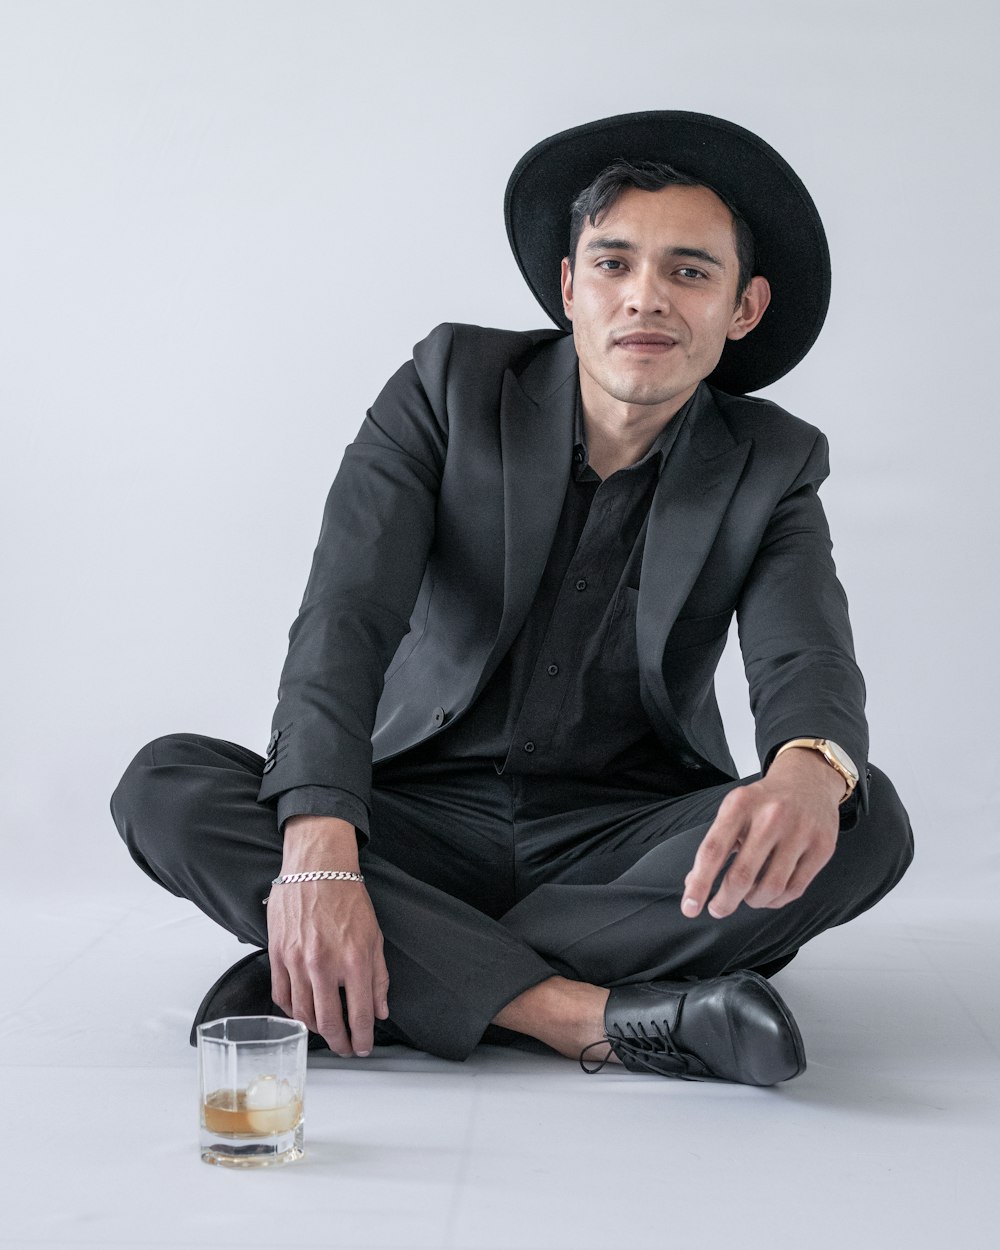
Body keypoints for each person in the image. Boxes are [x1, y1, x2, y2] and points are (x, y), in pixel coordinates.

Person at [111, 111, 913, 1086]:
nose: (644, 298)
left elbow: (805, 656)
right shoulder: (446, 385)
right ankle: (584, 1012)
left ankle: (388, 974)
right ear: (569, 286)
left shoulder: (773, 461)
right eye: (614, 264)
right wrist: (321, 850)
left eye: (689, 272)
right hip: (412, 811)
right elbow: (342, 619)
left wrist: (804, 767)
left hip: (622, 834)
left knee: (861, 816)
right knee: (167, 783)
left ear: (742, 308)